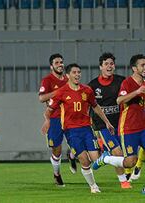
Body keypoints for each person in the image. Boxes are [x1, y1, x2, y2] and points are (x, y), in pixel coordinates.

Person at [92, 54, 145, 195]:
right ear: (134, 68)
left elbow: (143, 105)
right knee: (130, 162)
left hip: (143, 127)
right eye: (143, 65)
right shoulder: (127, 83)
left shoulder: (144, 84)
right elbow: (119, 100)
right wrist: (136, 92)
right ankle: (106, 158)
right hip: (129, 128)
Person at [41, 63, 114, 193]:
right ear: (68, 75)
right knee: (84, 161)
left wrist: (107, 122)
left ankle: (92, 155)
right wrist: (47, 121)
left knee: (96, 159)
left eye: (79, 72)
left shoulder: (87, 90)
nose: (77, 75)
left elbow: (96, 107)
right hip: (71, 131)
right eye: (74, 72)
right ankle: (93, 186)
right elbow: (49, 110)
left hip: (86, 128)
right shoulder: (61, 92)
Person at [88, 53, 130, 189]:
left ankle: (105, 156)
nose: (109, 66)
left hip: (121, 123)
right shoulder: (93, 86)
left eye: (111, 64)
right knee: (118, 153)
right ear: (101, 67)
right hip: (103, 125)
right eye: (106, 64)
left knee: (127, 155)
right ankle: (123, 182)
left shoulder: (121, 81)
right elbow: (87, 105)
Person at [38, 53, 77, 187]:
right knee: (56, 149)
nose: (60, 65)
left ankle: (72, 156)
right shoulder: (47, 80)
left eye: (61, 62)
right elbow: (42, 98)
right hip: (55, 118)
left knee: (78, 145)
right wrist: (59, 92)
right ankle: (57, 175)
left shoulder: (68, 78)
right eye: (57, 63)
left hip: (70, 117)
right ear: (51, 66)